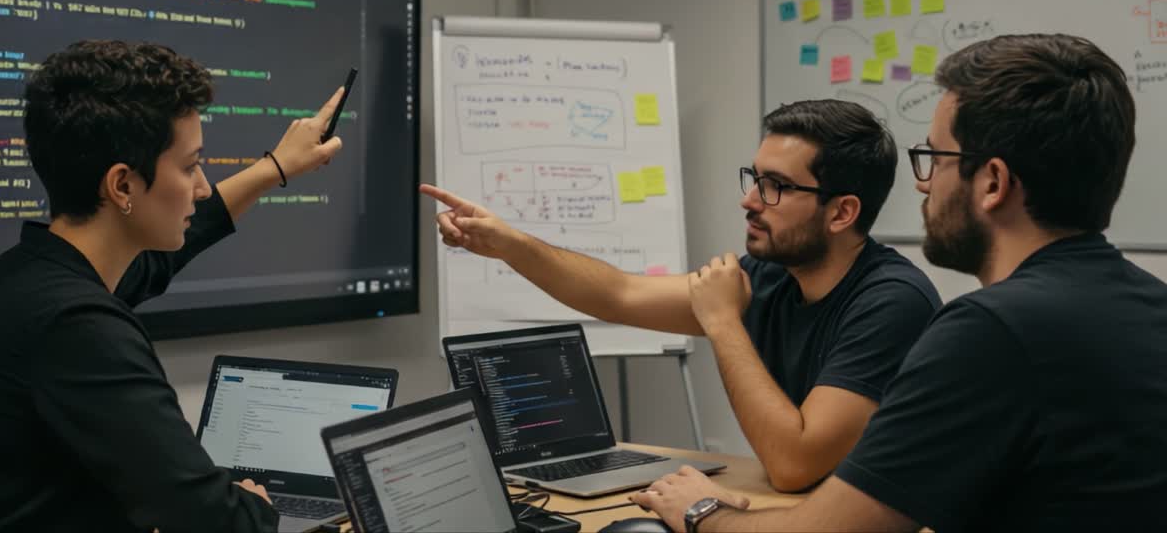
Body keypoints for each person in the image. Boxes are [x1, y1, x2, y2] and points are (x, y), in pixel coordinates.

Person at [632, 34, 1167, 532]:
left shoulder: (993, 332)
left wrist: (702, 511)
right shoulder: (1150, 306)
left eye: (934, 158)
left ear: (993, 183)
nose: (922, 182)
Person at [0, 41, 346, 533]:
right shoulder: (78, 327)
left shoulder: (20, 276)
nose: (203, 187)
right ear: (122, 186)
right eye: (189, 167)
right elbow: (211, 519)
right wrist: (254, 504)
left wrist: (275, 168)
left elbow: (160, 259)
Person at [422, 99, 939, 492]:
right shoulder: (771, 275)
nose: (749, 200)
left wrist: (722, 322)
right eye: (754, 178)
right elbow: (620, 295)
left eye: (775, 186)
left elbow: (793, 464)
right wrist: (510, 245)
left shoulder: (891, 303)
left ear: (842, 212)